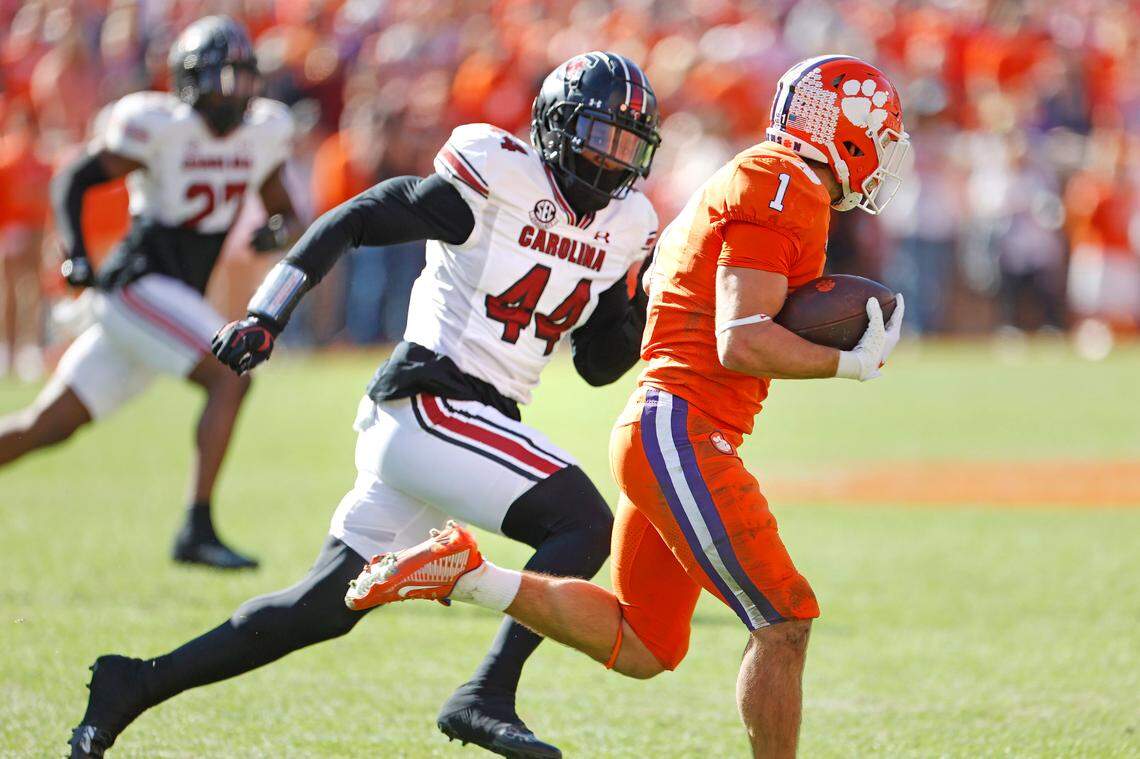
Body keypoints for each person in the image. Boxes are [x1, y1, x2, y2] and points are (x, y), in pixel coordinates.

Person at [69, 51, 661, 759]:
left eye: (627, 144)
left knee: (320, 608)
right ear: (556, 126)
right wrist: (267, 312)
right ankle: (487, 693)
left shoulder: (626, 224)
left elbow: (597, 364)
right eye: (600, 135)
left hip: (465, 425)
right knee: (583, 522)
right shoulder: (499, 177)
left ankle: (133, 684)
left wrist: (646, 306)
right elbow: (355, 218)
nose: (612, 158)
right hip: (433, 402)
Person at [345, 55, 909, 758]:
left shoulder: (768, 177)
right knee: (785, 617)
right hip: (684, 428)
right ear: (845, 129)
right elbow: (741, 340)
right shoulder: (784, 182)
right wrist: (848, 361)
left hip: (666, 425)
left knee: (645, 643)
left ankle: (466, 571)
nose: (884, 153)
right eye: (880, 134)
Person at [0, 16, 297, 569]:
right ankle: (196, 528)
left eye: (241, 78)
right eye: (221, 79)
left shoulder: (263, 130)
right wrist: (76, 252)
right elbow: (74, 178)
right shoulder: (163, 126)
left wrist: (275, 231)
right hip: (138, 285)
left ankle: (196, 530)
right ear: (189, 82)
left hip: (168, 300)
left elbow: (285, 208)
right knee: (232, 374)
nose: (233, 93)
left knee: (47, 426)